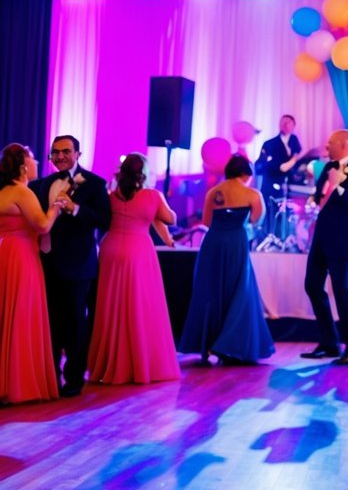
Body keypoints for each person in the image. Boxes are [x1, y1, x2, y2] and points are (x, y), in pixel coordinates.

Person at [87, 153, 180, 385]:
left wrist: (166, 239)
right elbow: (170, 219)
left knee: (111, 305)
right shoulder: (152, 195)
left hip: (110, 249)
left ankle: (109, 363)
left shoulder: (112, 195)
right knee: (139, 304)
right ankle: (138, 362)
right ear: (145, 173)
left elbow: (154, 221)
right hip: (138, 250)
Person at [32, 134, 111, 397]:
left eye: (66, 151)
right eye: (55, 152)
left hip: (78, 265)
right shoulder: (40, 185)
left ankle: (74, 379)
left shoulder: (95, 184)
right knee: (49, 322)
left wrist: (76, 208)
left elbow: (104, 221)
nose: (60, 156)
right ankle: (49, 375)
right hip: (45, 263)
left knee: (76, 323)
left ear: (78, 153)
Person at [179, 154, 274, 365]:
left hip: (213, 243)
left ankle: (208, 344)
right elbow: (257, 220)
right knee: (238, 289)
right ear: (244, 174)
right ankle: (231, 345)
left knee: (210, 291)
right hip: (235, 243)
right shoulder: (251, 193)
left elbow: (206, 221)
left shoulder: (213, 192)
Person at [0, 143, 66, 404]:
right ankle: (20, 384)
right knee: (22, 315)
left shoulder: (2, 191)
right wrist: (57, 205)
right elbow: (41, 225)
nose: (39, 162)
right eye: (34, 159)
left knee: (6, 314)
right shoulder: (21, 191)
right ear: (24, 166)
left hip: (4, 253)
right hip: (22, 257)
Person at [301, 129, 348, 365]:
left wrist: (339, 186)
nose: (326, 146)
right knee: (312, 286)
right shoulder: (328, 166)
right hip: (321, 237)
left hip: (343, 240)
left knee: (343, 292)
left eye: (330, 142)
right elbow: (319, 196)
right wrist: (314, 200)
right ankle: (329, 342)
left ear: (344, 144)